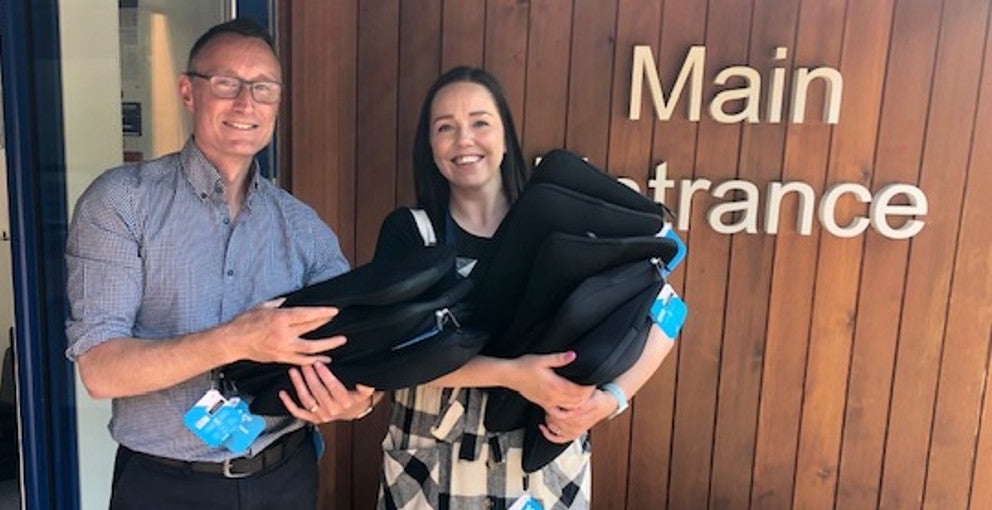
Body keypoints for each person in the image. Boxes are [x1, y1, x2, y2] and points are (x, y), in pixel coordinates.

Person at [64, 18, 375, 510]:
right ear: (189, 92)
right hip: (164, 487)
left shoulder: (302, 226)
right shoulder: (122, 202)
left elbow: (356, 349)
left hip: (284, 477)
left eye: (263, 88)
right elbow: (101, 371)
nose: (246, 103)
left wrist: (358, 402)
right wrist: (238, 339)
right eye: (226, 83)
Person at [373, 67, 676, 510]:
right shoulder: (410, 233)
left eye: (480, 122)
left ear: (505, 136)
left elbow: (668, 313)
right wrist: (512, 375)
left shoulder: (562, 221)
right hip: (430, 462)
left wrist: (612, 399)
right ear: (429, 147)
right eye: (445, 128)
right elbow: (393, 353)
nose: (464, 139)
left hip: (540, 458)